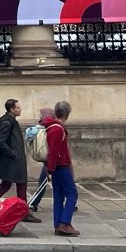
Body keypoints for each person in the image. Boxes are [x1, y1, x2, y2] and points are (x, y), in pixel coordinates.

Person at [0, 98, 39, 223]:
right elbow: (1, 141)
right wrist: (12, 154)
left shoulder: (10, 121)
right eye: (17, 108)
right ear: (11, 109)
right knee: (18, 184)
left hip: (13, 158)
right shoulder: (7, 122)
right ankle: (23, 213)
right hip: (12, 160)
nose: (20, 109)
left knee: (10, 184)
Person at [44, 100, 79, 236]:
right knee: (72, 194)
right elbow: (53, 151)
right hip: (60, 166)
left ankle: (58, 224)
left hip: (56, 166)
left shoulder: (52, 127)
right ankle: (65, 223)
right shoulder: (57, 128)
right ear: (67, 114)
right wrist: (51, 169)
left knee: (58, 196)